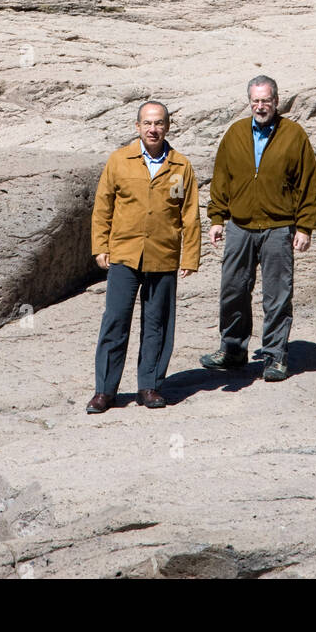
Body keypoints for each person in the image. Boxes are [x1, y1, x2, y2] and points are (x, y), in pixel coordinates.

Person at [200, 75, 316, 381]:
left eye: (266, 100)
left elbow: (308, 184)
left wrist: (304, 227)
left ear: (276, 101)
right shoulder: (235, 133)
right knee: (233, 290)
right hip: (240, 226)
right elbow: (221, 179)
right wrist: (217, 218)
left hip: (278, 228)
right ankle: (232, 349)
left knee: (277, 295)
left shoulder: (294, 135)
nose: (260, 106)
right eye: (255, 101)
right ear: (249, 102)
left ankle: (275, 356)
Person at [87, 100, 200, 413]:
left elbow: (189, 214)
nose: (153, 129)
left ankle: (149, 387)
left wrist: (190, 256)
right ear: (137, 127)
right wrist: (100, 246)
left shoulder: (180, 167)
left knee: (158, 324)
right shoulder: (120, 160)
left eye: (159, 123)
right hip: (124, 254)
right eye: (148, 123)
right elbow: (103, 206)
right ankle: (105, 391)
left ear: (168, 126)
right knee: (115, 321)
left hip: (163, 255)